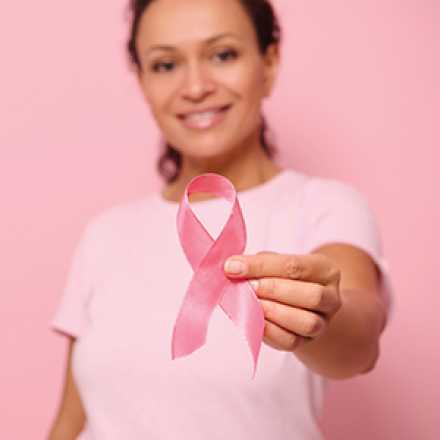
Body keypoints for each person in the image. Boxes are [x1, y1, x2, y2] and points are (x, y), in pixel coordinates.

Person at [47, 0, 394, 439]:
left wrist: (322, 317)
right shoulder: (104, 234)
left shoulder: (325, 206)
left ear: (268, 63)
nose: (195, 87)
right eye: (166, 64)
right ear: (142, 82)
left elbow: (359, 342)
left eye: (223, 55)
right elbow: (71, 421)